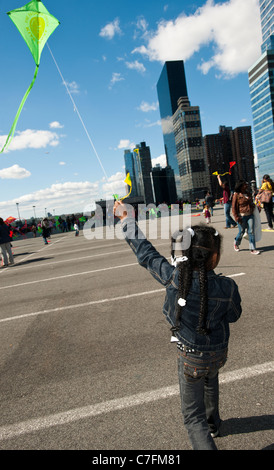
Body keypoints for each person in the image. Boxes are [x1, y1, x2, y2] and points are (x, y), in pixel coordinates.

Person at [113, 201, 242, 450]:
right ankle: (214, 424)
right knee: (210, 380)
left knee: (193, 418)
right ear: (214, 257)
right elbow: (234, 315)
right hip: (217, 353)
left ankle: (208, 429)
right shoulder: (227, 287)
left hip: (190, 356)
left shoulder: (175, 278)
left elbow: (146, 254)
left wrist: (126, 219)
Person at [231, 180, 260, 255]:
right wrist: (236, 217)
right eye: (244, 184)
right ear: (240, 186)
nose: (246, 185)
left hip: (250, 215)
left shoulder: (248, 193)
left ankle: (252, 249)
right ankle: (236, 243)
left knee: (251, 232)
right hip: (241, 216)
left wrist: (255, 207)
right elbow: (234, 207)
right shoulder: (236, 195)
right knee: (241, 232)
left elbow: (251, 203)